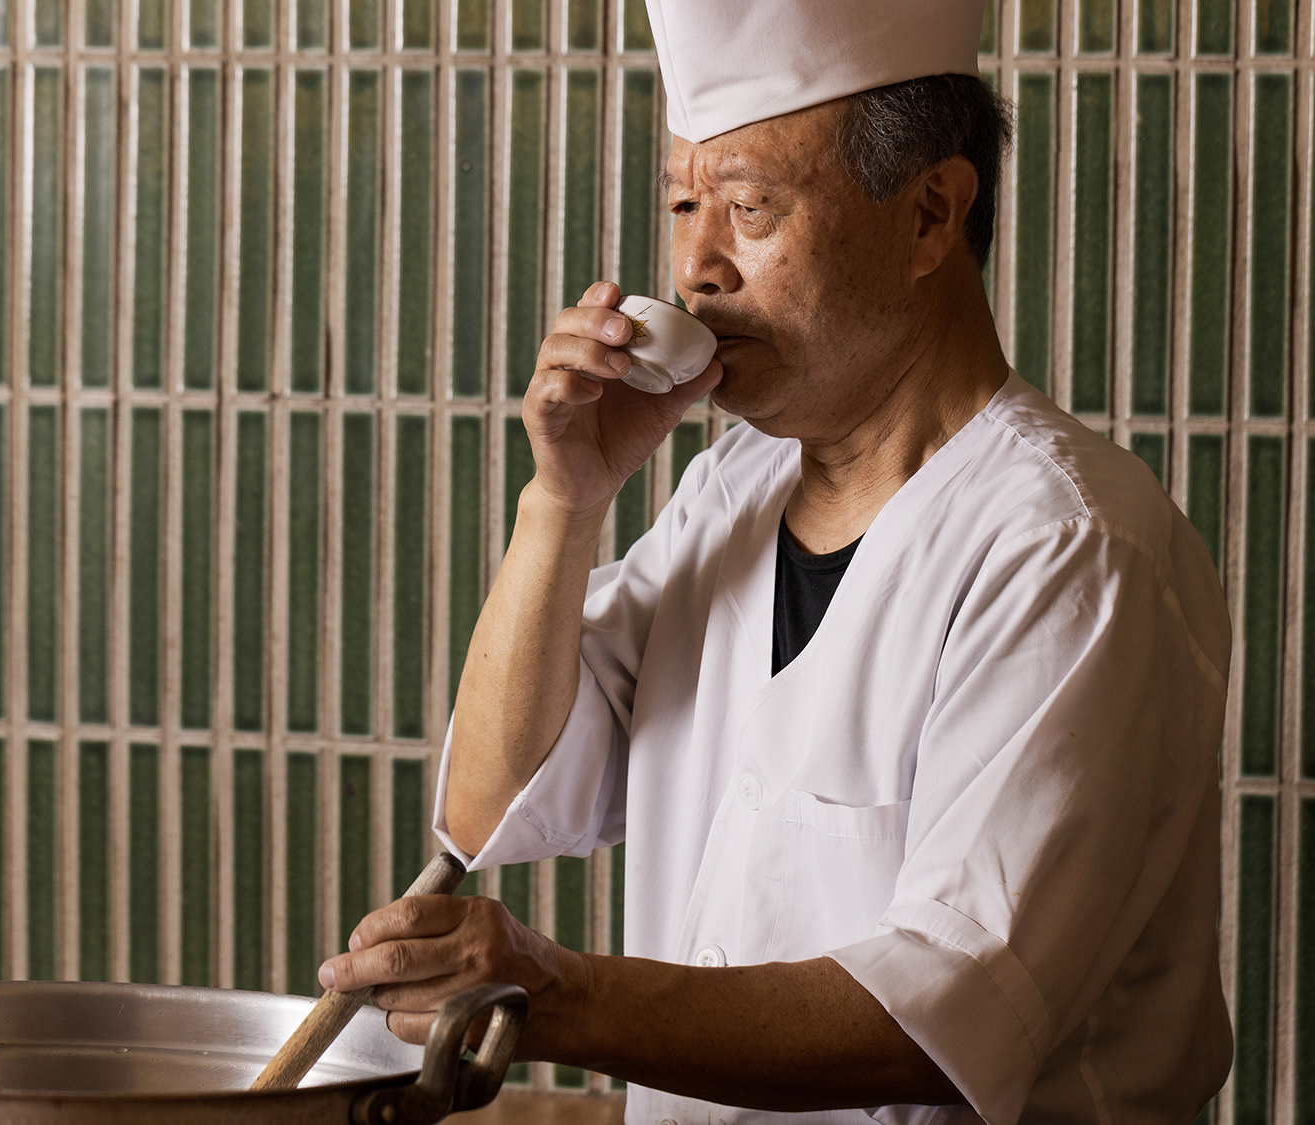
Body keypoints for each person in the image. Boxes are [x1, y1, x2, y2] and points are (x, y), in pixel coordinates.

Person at [316, 2, 1234, 1121]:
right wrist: (562, 500)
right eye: (681, 205)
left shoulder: (1066, 545)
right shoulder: (726, 497)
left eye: (748, 208)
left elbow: (936, 1013)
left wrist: (552, 996)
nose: (696, 270)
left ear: (930, 216)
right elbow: (491, 812)